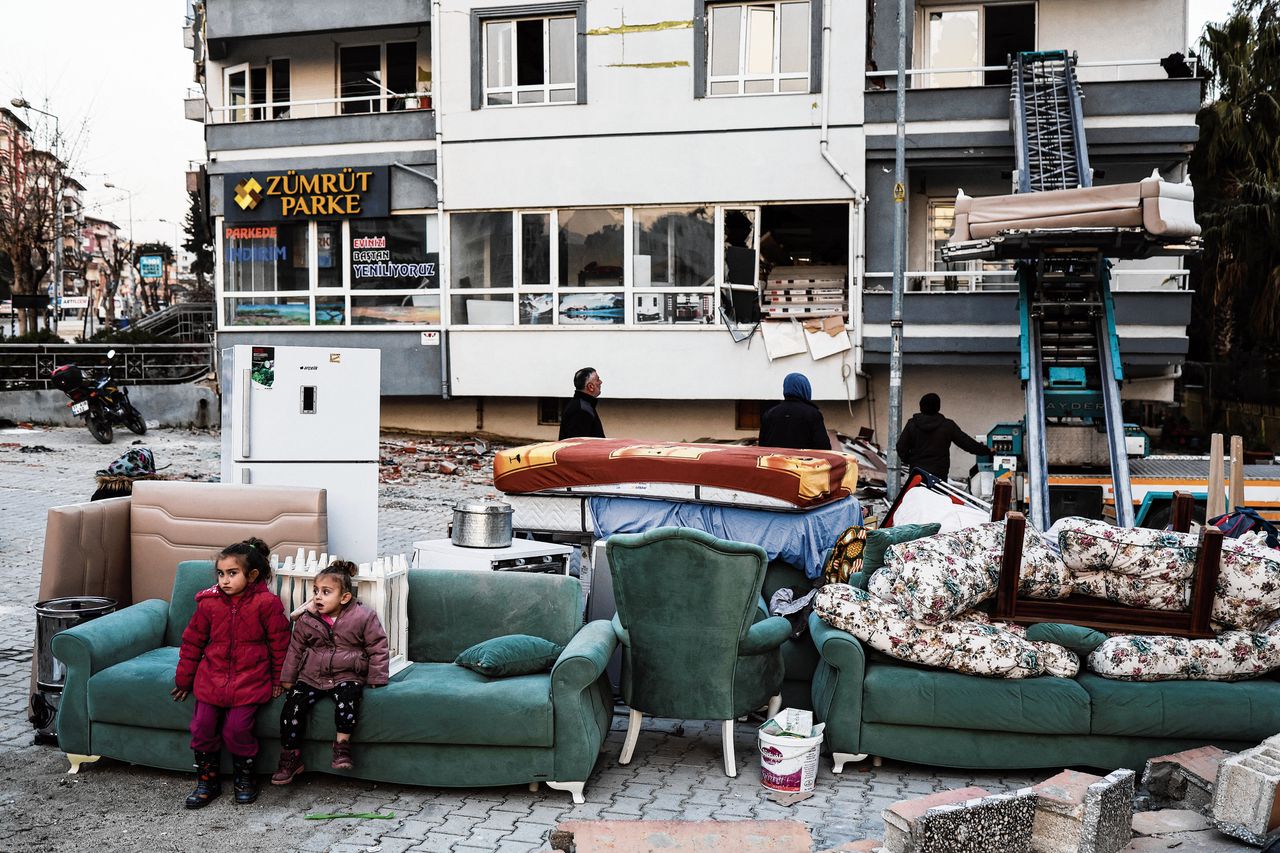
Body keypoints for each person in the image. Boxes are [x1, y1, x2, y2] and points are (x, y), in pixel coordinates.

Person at [172, 538, 291, 809]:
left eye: (232, 573)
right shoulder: (208, 603)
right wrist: (184, 679)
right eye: (221, 574)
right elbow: (192, 643)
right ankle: (206, 781)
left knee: (237, 729)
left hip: (249, 681)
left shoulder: (267, 604)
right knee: (202, 728)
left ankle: (245, 779)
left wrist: (278, 680)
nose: (225, 580)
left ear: (252, 576)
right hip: (211, 681)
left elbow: (280, 644)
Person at [271, 560, 389, 784]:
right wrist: (287, 678)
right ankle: (290, 757)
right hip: (311, 675)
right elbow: (296, 649)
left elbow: (377, 646)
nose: (318, 597)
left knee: (348, 700)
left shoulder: (363, 616)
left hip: (347, 673)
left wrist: (376, 676)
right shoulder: (307, 619)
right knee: (292, 707)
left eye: (326, 592)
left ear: (344, 597)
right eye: (316, 591)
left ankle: (342, 746)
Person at [896, 393, 992, 479]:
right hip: (939, 473)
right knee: (938, 498)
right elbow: (966, 443)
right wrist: (987, 450)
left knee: (917, 497)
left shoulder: (912, 424)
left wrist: (911, 460)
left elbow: (900, 447)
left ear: (921, 406)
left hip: (917, 473)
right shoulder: (947, 425)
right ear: (938, 407)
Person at [759, 373, 831, 451]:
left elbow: (762, 446)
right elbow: (823, 448)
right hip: (803, 462)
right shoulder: (812, 414)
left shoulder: (770, 413)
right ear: (805, 388)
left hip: (774, 462)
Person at [558, 366, 605, 439]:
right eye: (598, 380)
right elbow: (578, 445)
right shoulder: (580, 410)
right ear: (590, 387)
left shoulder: (584, 405)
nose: (601, 382)